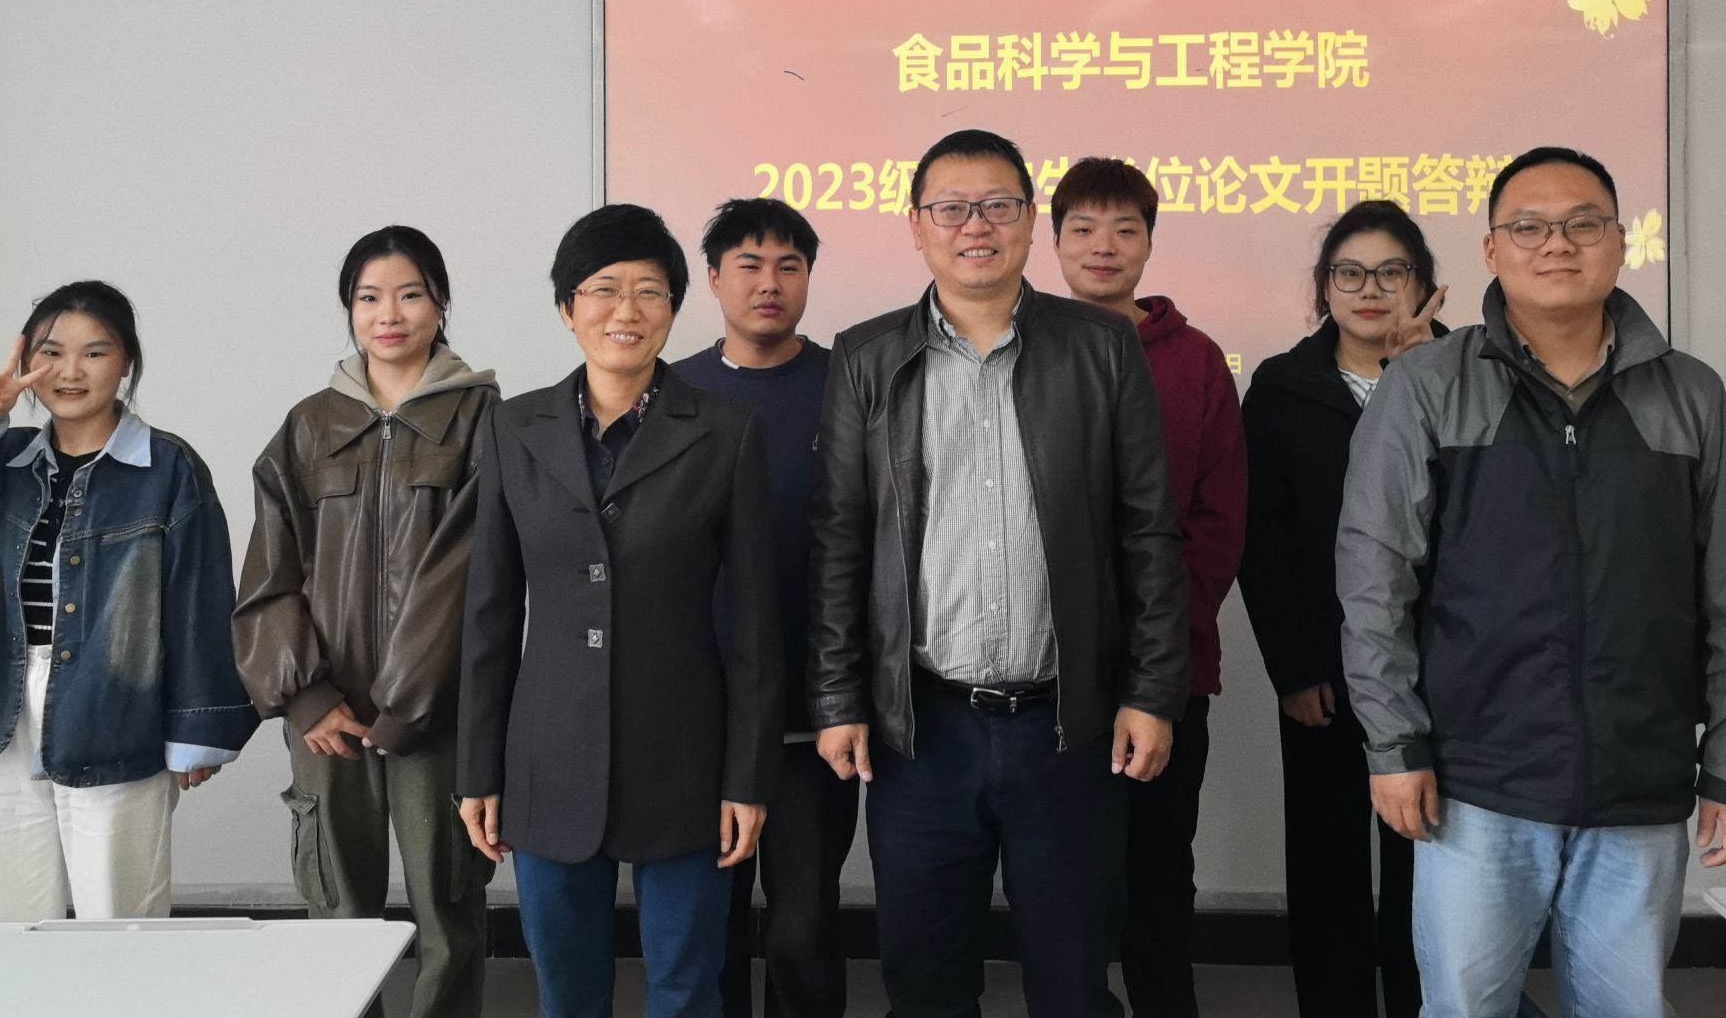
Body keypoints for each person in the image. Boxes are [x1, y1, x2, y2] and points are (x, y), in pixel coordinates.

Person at [1338, 147, 1726, 1018]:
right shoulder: (1427, 386)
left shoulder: (1690, 395)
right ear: (1491, 249)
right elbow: (1373, 580)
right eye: (1529, 226)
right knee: (1465, 1008)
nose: (1557, 244)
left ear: (1621, 242)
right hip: (1476, 781)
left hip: (1640, 778)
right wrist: (1394, 746)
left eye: (1584, 224)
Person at [810, 128, 1190, 1018]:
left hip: (1066, 727)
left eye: (998, 206)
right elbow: (839, 538)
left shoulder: (1102, 346)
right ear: (917, 226)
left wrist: (1153, 692)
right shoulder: (866, 356)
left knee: (1072, 982)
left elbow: (1149, 531)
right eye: (951, 208)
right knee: (926, 985)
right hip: (921, 732)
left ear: (1028, 220)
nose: (974, 225)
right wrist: (835, 697)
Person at [456, 204, 783, 1018]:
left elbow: (754, 624)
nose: (625, 311)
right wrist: (478, 769)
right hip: (548, 760)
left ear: (673, 309)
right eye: (603, 290)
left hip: (685, 758)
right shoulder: (514, 428)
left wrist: (747, 777)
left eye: (649, 291)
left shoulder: (726, 430)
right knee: (567, 992)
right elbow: (489, 613)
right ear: (568, 308)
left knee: (686, 988)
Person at [0, 280, 256, 921]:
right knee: (3, 914)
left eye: (95, 352)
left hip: (117, 701)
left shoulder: (168, 468)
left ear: (126, 363)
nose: (71, 372)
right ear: (27, 363)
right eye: (51, 353)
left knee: (119, 914)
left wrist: (198, 726)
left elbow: (200, 602)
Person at [233, 226, 501, 1018]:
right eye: (369, 297)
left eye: (410, 294)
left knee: (448, 906)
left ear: (441, 303)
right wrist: (305, 696)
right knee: (335, 906)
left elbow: (476, 576)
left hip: (438, 713)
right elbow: (269, 571)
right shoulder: (308, 426)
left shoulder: (486, 420)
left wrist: (413, 702)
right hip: (328, 715)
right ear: (349, 309)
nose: (389, 314)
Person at [1049, 157, 1247, 1018]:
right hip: (1048, 673)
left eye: (1125, 228)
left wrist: (1160, 639)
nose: (1104, 245)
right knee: (1067, 872)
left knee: (1161, 863)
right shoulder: (1023, 347)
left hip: (1166, 667)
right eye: (1084, 228)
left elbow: (1218, 518)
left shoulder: (1196, 361)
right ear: (1054, 242)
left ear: (1150, 243)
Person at [1239, 200, 1446, 1018]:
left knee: (1429, 859)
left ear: (1423, 285)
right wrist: (1292, 666)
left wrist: (1424, 377)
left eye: (1392, 272)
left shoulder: (1467, 378)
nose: (1370, 290)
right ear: (1324, 287)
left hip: (1442, 666)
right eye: (1349, 273)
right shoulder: (1281, 389)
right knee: (1326, 859)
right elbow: (1261, 539)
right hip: (1323, 670)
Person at [673, 198, 857, 1018]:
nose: (769, 283)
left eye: (790, 265)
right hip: (700, 714)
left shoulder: (849, 384)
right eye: (748, 265)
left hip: (815, 714)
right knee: (706, 923)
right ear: (714, 279)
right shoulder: (672, 393)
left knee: (802, 926)